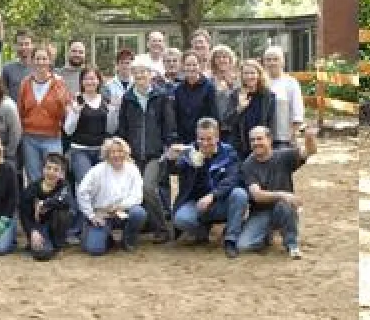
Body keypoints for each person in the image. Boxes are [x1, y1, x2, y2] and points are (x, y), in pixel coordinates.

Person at [115, 57, 177, 242]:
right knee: (135, 191)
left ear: (151, 74)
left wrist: (168, 148)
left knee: (148, 187)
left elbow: (169, 125)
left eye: (144, 71)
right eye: (137, 72)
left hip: (155, 154)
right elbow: (123, 128)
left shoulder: (161, 96)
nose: (140, 75)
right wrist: (124, 152)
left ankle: (163, 229)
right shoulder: (128, 98)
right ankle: (140, 226)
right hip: (132, 155)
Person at [170, 118, 249, 258]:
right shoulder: (189, 151)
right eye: (201, 139)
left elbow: (233, 179)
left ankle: (231, 239)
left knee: (240, 194)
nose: (205, 143)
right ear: (196, 137)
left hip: (221, 201)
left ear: (217, 137)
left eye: (209, 139)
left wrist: (213, 195)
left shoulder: (228, 152)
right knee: (181, 219)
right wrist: (171, 159)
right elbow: (174, 169)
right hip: (196, 203)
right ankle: (202, 231)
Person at [238, 125, 318, 258]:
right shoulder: (247, 165)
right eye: (252, 140)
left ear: (269, 140)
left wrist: (309, 137)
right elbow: (257, 196)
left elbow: (310, 151)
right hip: (260, 212)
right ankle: (268, 234)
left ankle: (292, 245)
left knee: (284, 206)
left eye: (259, 139)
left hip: (283, 208)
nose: (256, 143)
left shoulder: (284, 155)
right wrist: (283, 194)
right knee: (243, 246)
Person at [67, 67, 122, 241]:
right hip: (80, 150)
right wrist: (75, 113)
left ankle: (100, 226)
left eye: (93, 79)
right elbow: (68, 130)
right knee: (84, 186)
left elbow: (111, 129)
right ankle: (78, 227)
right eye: (86, 79)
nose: (90, 82)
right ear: (81, 82)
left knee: (101, 188)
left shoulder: (105, 101)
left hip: (100, 151)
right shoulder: (76, 101)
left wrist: (114, 111)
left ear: (99, 81)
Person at [77, 137, 147, 255]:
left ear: (125, 152)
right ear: (107, 154)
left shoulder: (133, 169)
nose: (116, 155)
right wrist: (91, 215)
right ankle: (107, 237)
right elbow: (82, 191)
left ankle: (128, 238)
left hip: (124, 213)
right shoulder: (97, 170)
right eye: (112, 152)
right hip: (102, 215)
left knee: (139, 213)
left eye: (120, 151)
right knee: (94, 250)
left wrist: (120, 206)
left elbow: (137, 196)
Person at [18, 46, 71, 185]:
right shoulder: (25, 83)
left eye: (44, 59)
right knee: (34, 177)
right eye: (37, 59)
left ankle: (54, 205)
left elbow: (66, 112)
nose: (41, 62)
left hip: (52, 137)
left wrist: (62, 103)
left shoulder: (59, 83)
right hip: (30, 137)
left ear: (49, 61)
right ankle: (36, 205)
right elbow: (20, 110)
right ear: (32, 61)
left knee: (55, 176)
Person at [21, 152, 74, 260]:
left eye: (56, 170)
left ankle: (58, 245)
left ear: (62, 174)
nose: (51, 172)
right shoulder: (32, 189)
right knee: (43, 254)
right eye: (48, 168)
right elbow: (24, 215)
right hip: (38, 227)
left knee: (64, 212)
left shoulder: (64, 185)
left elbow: (65, 200)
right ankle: (40, 243)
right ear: (43, 169)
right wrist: (32, 231)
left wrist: (43, 203)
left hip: (55, 225)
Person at [231, 59, 276, 159]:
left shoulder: (268, 96)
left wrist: (269, 144)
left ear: (259, 75)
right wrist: (240, 108)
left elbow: (271, 123)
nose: (249, 76)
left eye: (252, 73)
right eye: (246, 73)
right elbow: (228, 121)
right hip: (241, 146)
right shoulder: (235, 94)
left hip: (261, 145)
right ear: (241, 76)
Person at [263, 45, 305, 150]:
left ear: (282, 62)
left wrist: (293, 134)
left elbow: (297, 111)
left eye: (275, 59)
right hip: (261, 137)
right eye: (268, 60)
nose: (272, 63)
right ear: (264, 62)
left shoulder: (290, 82)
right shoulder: (260, 82)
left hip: (283, 138)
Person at [174, 51, 218, 144]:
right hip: (183, 139)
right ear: (182, 66)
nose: (191, 68)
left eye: (194, 64)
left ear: (200, 66)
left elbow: (213, 116)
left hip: (204, 140)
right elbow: (177, 116)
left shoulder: (209, 87)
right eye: (188, 65)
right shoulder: (178, 89)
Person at [1, 28, 35, 101]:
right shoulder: (7, 69)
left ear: (32, 45)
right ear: (15, 46)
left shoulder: (40, 67)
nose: (23, 47)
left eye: (26, 44)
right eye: (20, 44)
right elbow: (3, 95)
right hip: (14, 111)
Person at [210, 44, 240, 125]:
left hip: (234, 124)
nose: (221, 60)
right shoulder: (209, 81)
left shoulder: (238, 80)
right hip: (214, 125)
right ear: (213, 60)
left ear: (230, 59)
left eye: (224, 57)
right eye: (218, 57)